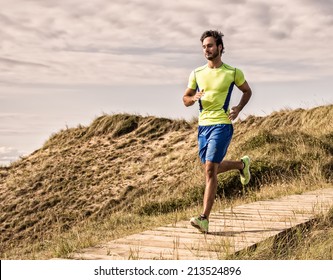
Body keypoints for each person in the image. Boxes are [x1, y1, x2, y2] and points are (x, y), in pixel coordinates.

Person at [183, 30, 252, 233]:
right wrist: (193, 98)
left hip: (222, 124)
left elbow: (247, 91)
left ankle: (204, 218)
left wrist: (238, 108)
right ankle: (241, 164)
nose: (207, 49)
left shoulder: (232, 72)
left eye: (210, 45)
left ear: (220, 47)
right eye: (204, 46)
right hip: (203, 126)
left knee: (210, 170)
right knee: (209, 169)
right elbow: (185, 99)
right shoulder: (197, 73)